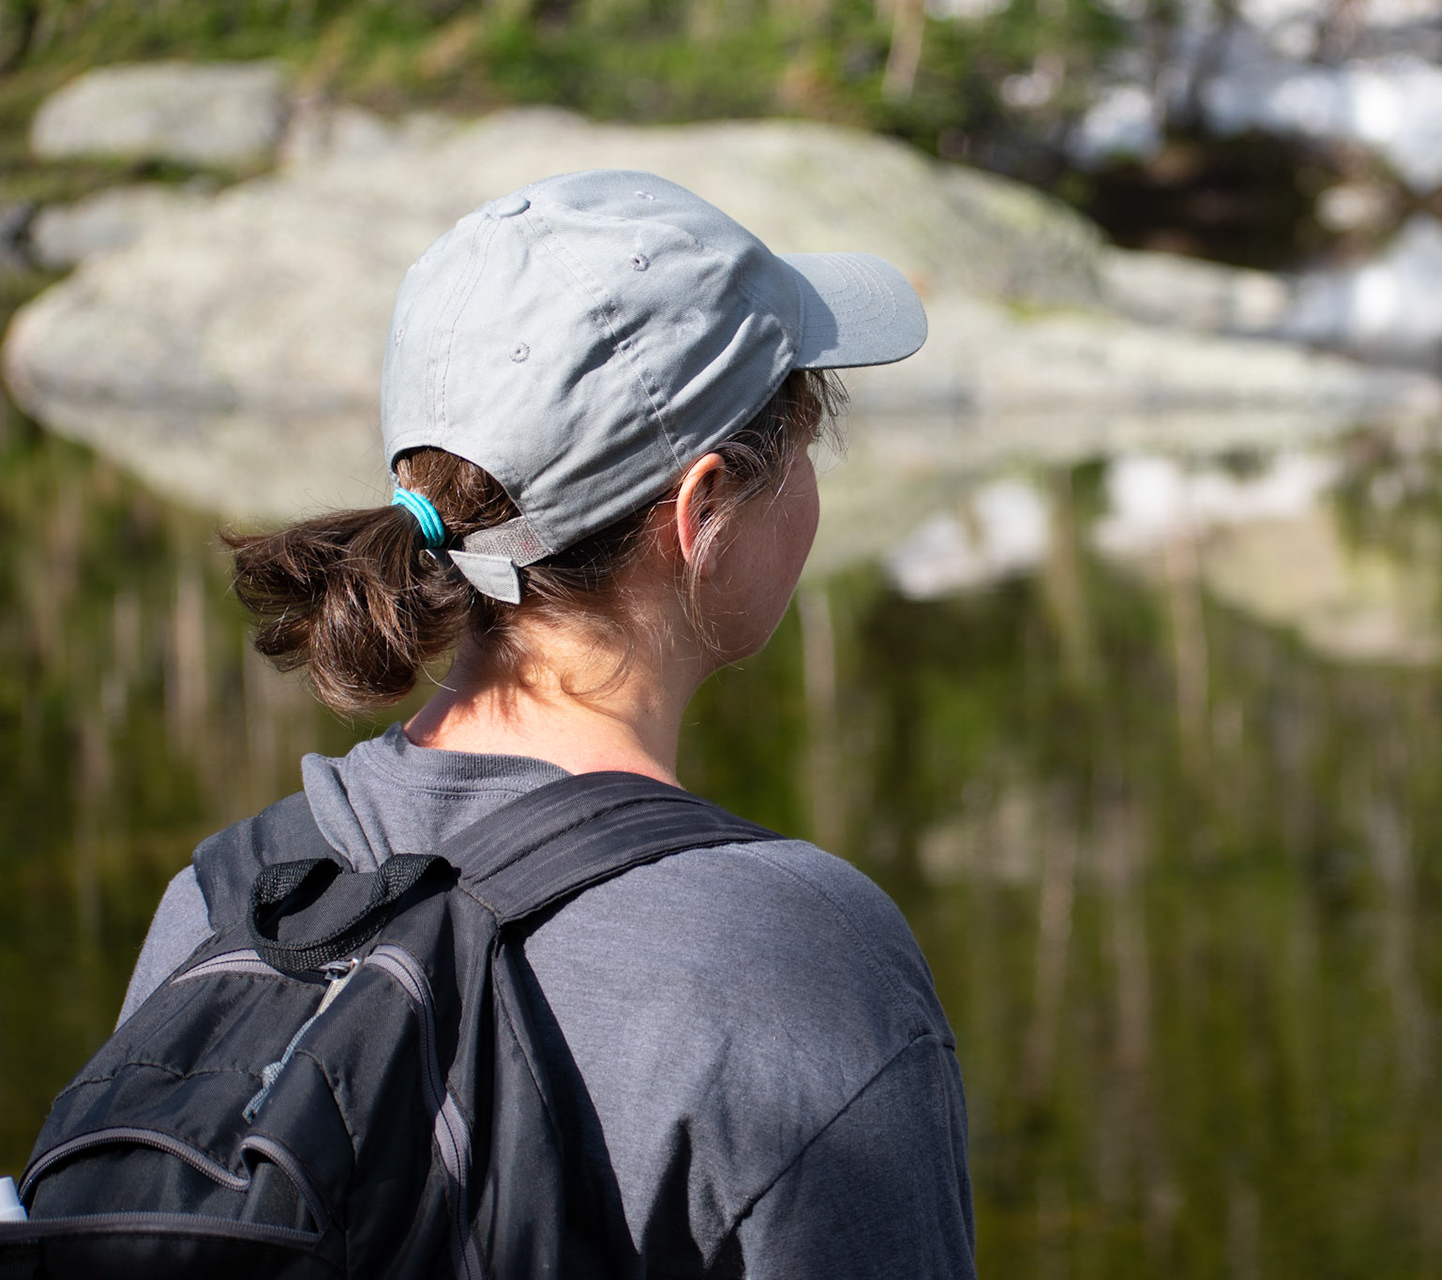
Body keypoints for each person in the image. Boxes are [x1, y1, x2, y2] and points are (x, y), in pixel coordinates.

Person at [111, 169, 973, 1278]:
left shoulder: (227, 899)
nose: (811, 487)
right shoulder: (799, 958)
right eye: (804, 442)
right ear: (701, 510)